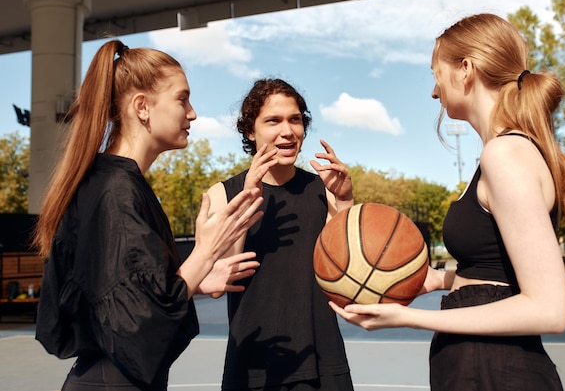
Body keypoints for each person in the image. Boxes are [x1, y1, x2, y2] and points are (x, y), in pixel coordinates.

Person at [331, 13, 565, 391]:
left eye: (436, 74)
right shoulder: (504, 153)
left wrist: (409, 320)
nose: (434, 92)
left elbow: (549, 309)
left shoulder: (505, 155)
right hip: (481, 366)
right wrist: (437, 280)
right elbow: (499, 276)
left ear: (465, 69)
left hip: (494, 369)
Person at [33, 40, 264, 391]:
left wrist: (196, 281)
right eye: (182, 98)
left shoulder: (111, 182)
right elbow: (137, 319)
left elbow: (118, 289)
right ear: (142, 107)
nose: (193, 113)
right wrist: (204, 252)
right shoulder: (117, 191)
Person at [206, 78, 355, 391]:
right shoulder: (222, 195)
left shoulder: (323, 191)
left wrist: (344, 203)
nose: (287, 131)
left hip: (319, 358)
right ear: (250, 130)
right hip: (253, 365)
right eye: (273, 120)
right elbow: (221, 281)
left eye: (295, 119)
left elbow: (348, 271)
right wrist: (247, 201)